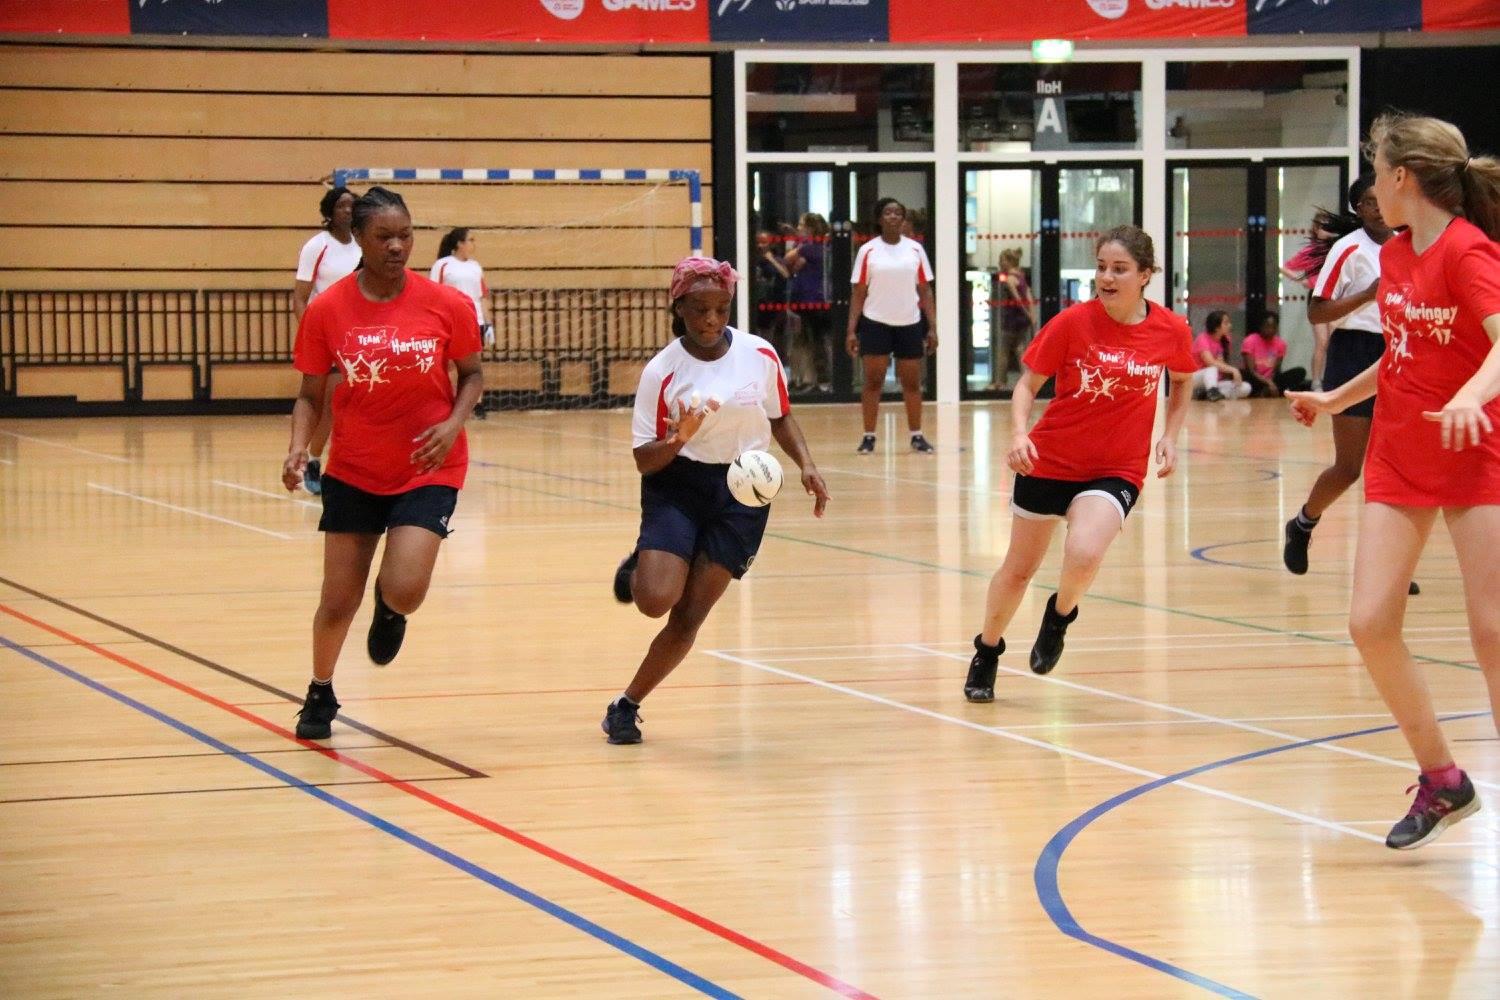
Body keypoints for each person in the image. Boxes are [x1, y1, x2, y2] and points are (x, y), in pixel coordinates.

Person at [1286, 112, 1500, 849]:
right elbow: (1401, 352)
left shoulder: (1468, 253)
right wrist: (1334, 399)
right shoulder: (1400, 255)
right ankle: (1443, 779)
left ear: (1403, 177)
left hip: (1477, 452)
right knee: (1371, 623)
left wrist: (1472, 395)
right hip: (1401, 452)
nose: (1372, 183)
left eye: (1377, 168)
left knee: (1494, 630)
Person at [281, 187, 484, 741]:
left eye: (405, 235)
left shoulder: (446, 304)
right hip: (355, 468)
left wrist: (453, 423)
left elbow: (472, 375)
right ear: (361, 242)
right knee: (337, 598)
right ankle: (320, 689)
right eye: (384, 237)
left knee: (406, 588)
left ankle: (390, 608)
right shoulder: (328, 310)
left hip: (429, 462)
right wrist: (301, 447)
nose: (397, 247)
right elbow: (309, 393)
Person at [605, 256, 830, 745]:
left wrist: (806, 464)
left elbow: (780, 416)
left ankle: (626, 706)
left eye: (721, 309)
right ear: (679, 306)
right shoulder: (661, 372)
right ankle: (645, 566)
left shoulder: (760, 355)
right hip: (677, 483)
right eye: (700, 309)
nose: (711, 320)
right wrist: (678, 439)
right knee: (654, 602)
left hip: (743, 492)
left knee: (689, 617)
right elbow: (644, 460)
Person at [963, 225, 1195, 699]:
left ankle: (1060, 615)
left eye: (1120, 269)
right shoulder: (1072, 323)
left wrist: (1170, 436)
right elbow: (1027, 385)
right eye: (1101, 267)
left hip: (1117, 470)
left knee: (1085, 552)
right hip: (1049, 462)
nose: (1106, 277)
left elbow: (1184, 380)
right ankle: (987, 651)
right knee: (1018, 570)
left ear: (1146, 275)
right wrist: (1018, 434)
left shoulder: (1170, 329)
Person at [1283, 176, 1402, 579]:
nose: (1380, 208)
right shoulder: (1347, 249)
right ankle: (1302, 524)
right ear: (1359, 209)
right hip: (1353, 351)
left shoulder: (1410, 244)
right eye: (1370, 203)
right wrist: (1368, 294)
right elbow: (1317, 313)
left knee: (1392, 468)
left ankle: (1390, 565)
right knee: (1350, 467)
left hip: (1397, 351)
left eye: (1383, 199)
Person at [846, 197, 939, 454]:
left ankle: (917, 435)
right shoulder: (868, 251)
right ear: (879, 219)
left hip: (909, 323)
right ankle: (868, 436)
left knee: (911, 382)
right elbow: (858, 293)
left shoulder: (915, 250)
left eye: (898, 212)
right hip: (875, 323)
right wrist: (851, 330)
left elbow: (926, 290)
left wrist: (932, 327)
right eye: (888, 212)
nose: (894, 216)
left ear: (903, 218)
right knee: (873, 382)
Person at [293, 186, 361, 496]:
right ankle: (314, 461)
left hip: (361, 335)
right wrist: (312, 334)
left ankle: (353, 466)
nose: (348, 211)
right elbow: (300, 296)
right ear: (330, 212)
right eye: (342, 206)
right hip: (328, 333)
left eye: (352, 206)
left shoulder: (363, 245)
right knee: (329, 404)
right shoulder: (316, 246)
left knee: (358, 405)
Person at [783, 213, 832, 393]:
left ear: (811, 229)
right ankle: (813, 378)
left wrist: (795, 244)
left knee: (815, 340)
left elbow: (789, 260)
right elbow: (796, 264)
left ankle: (821, 379)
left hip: (811, 300)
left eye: (802, 225)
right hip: (810, 299)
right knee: (811, 339)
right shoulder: (819, 248)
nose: (799, 228)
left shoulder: (810, 247)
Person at [430, 227, 494, 346]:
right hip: (453, 322)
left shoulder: (475, 266)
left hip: (476, 322)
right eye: (471, 240)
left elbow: (482, 297)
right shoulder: (442, 265)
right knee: (453, 361)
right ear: (460, 243)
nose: (474, 244)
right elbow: (433, 295)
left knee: (474, 362)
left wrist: (488, 324)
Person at [990, 247, 1037, 391]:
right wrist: (1031, 315)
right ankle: (1025, 381)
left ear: (1008, 261)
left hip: (1011, 319)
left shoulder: (1010, 278)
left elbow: (1018, 300)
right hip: (1023, 320)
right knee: (1021, 350)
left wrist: (1027, 313)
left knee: (1003, 350)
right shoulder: (1022, 277)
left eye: (1001, 260)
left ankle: (1000, 381)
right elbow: (1029, 297)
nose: (1000, 263)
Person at [1240, 312, 1307, 396]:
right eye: (1267, 326)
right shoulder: (1250, 340)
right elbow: (1251, 370)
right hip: (1255, 378)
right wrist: (1268, 383)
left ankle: (1267, 391)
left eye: (1274, 327)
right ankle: (1264, 391)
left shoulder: (1281, 344)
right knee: (1242, 374)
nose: (1270, 330)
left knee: (1300, 371)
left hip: (1271, 379)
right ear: (1261, 326)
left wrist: (1272, 381)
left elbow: (1276, 370)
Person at [1190, 311, 1251, 400]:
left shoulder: (1224, 340)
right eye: (1226, 323)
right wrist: (1234, 370)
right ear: (1216, 327)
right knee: (1212, 369)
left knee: (1246, 387)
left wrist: (1232, 375)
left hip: (1214, 382)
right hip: (1195, 378)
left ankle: (1207, 394)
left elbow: (1221, 363)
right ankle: (1212, 392)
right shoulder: (1202, 339)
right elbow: (1210, 362)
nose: (1230, 325)